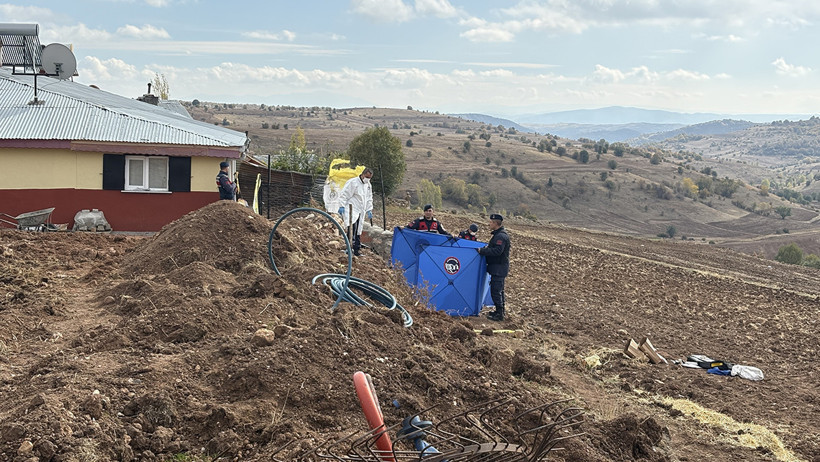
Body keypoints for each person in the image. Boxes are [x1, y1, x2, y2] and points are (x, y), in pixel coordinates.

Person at [477, 214, 510, 321]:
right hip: (497, 267)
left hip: (498, 268)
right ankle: (499, 311)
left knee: (496, 291)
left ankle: (500, 314)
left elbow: (497, 251)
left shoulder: (501, 236)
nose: (489, 224)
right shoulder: (498, 235)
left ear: (496, 223)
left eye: (491, 222)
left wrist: (482, 251)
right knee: (499, 290)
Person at [337, 167, 374, 257]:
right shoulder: (353, 182)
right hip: (351, 209)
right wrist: (341, 205)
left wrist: (369, 209)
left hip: (361, 210)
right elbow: (344, 194)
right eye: (367, 177)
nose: (367, 179)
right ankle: (349, 248)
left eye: (369, 178)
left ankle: (357, 250)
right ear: (362, 174)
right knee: (351, 228)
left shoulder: (368, 185)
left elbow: (369, 198)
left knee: (358, 230)